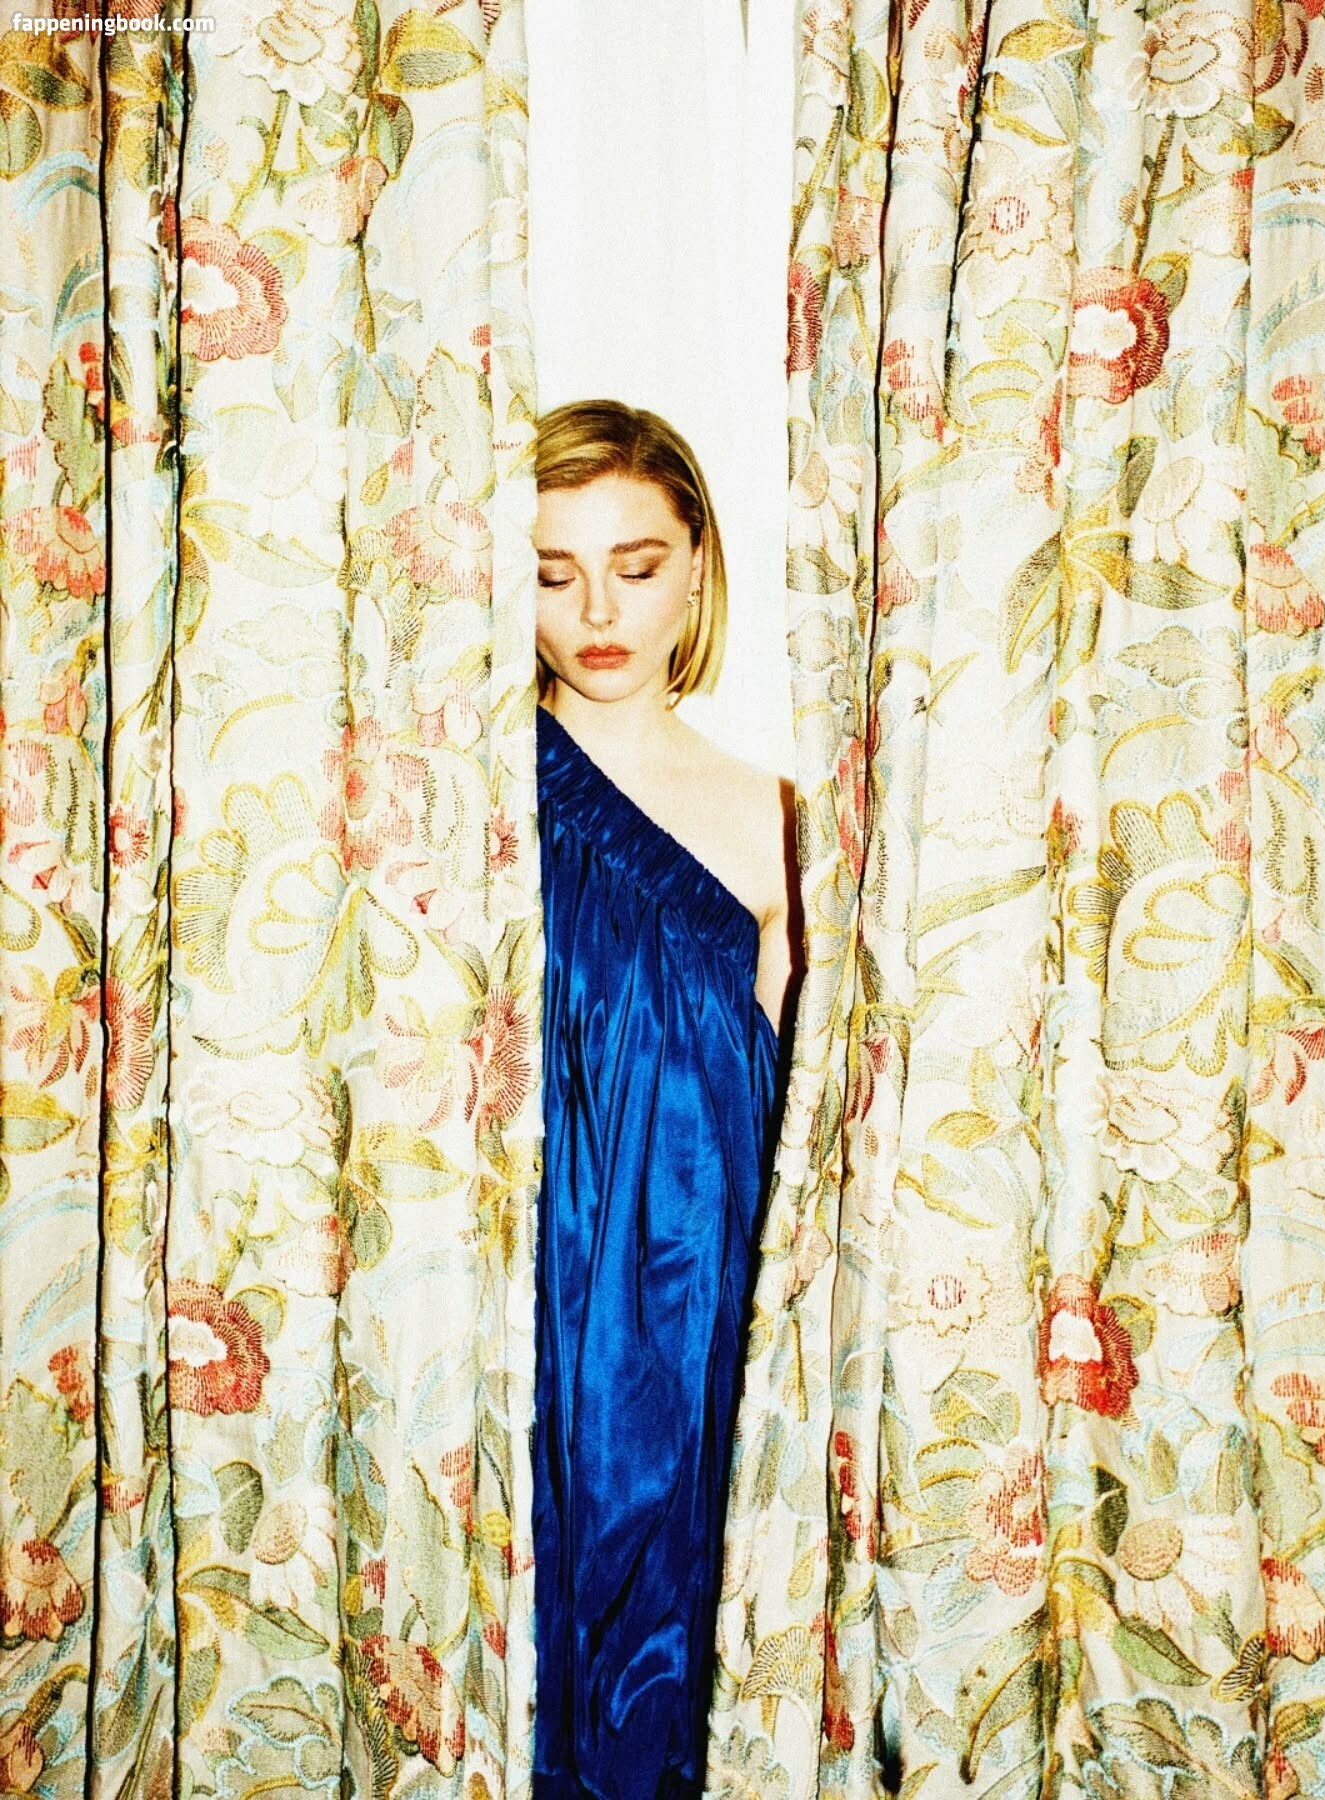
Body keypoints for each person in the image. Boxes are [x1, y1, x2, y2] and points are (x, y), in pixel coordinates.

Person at [529, 399, 800, 1798]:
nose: (597, 613)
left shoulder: (783, 822)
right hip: (506, 1314)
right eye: (554, 571)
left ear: (697, 566)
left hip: (693, 1331)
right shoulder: (464, 798)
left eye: (635, 566)